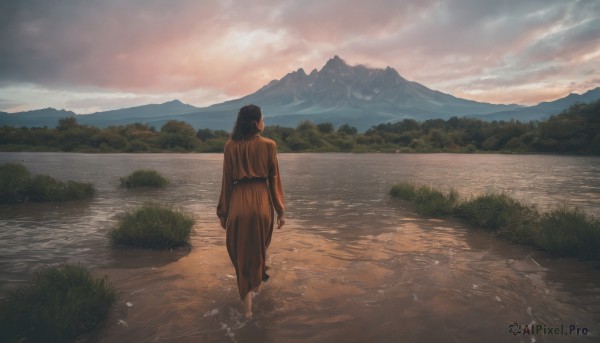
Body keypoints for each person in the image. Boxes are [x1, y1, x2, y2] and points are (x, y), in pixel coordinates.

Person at [217, 104, 285, 319]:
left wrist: (223, 212)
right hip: (261, 203)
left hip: (238, 201)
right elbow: (274, 179)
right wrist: (280, 210)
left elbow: (227, 180)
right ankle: (257, 288)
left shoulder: (230, 146)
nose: (264, 121)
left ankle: (247, 310)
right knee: (259, 251)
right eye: (263, 118)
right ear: (257, 122)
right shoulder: (269, 145)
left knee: (240, 254)